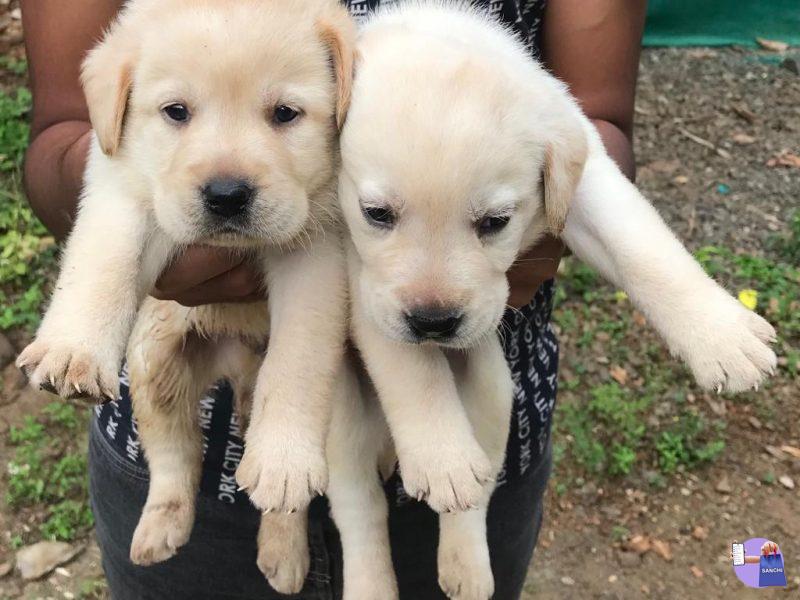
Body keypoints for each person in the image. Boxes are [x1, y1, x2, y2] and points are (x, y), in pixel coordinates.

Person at [20, 0, 645, 597]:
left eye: (285, 114)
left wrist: (491, 236)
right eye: (177, 111)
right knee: (165, 366)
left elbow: (596, 125)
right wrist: (135, 216)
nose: (229, 173)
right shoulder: (159, 58)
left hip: (459, 408)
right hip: (208, 465)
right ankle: (173, 485)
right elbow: (70, 130)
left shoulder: (336, 51)